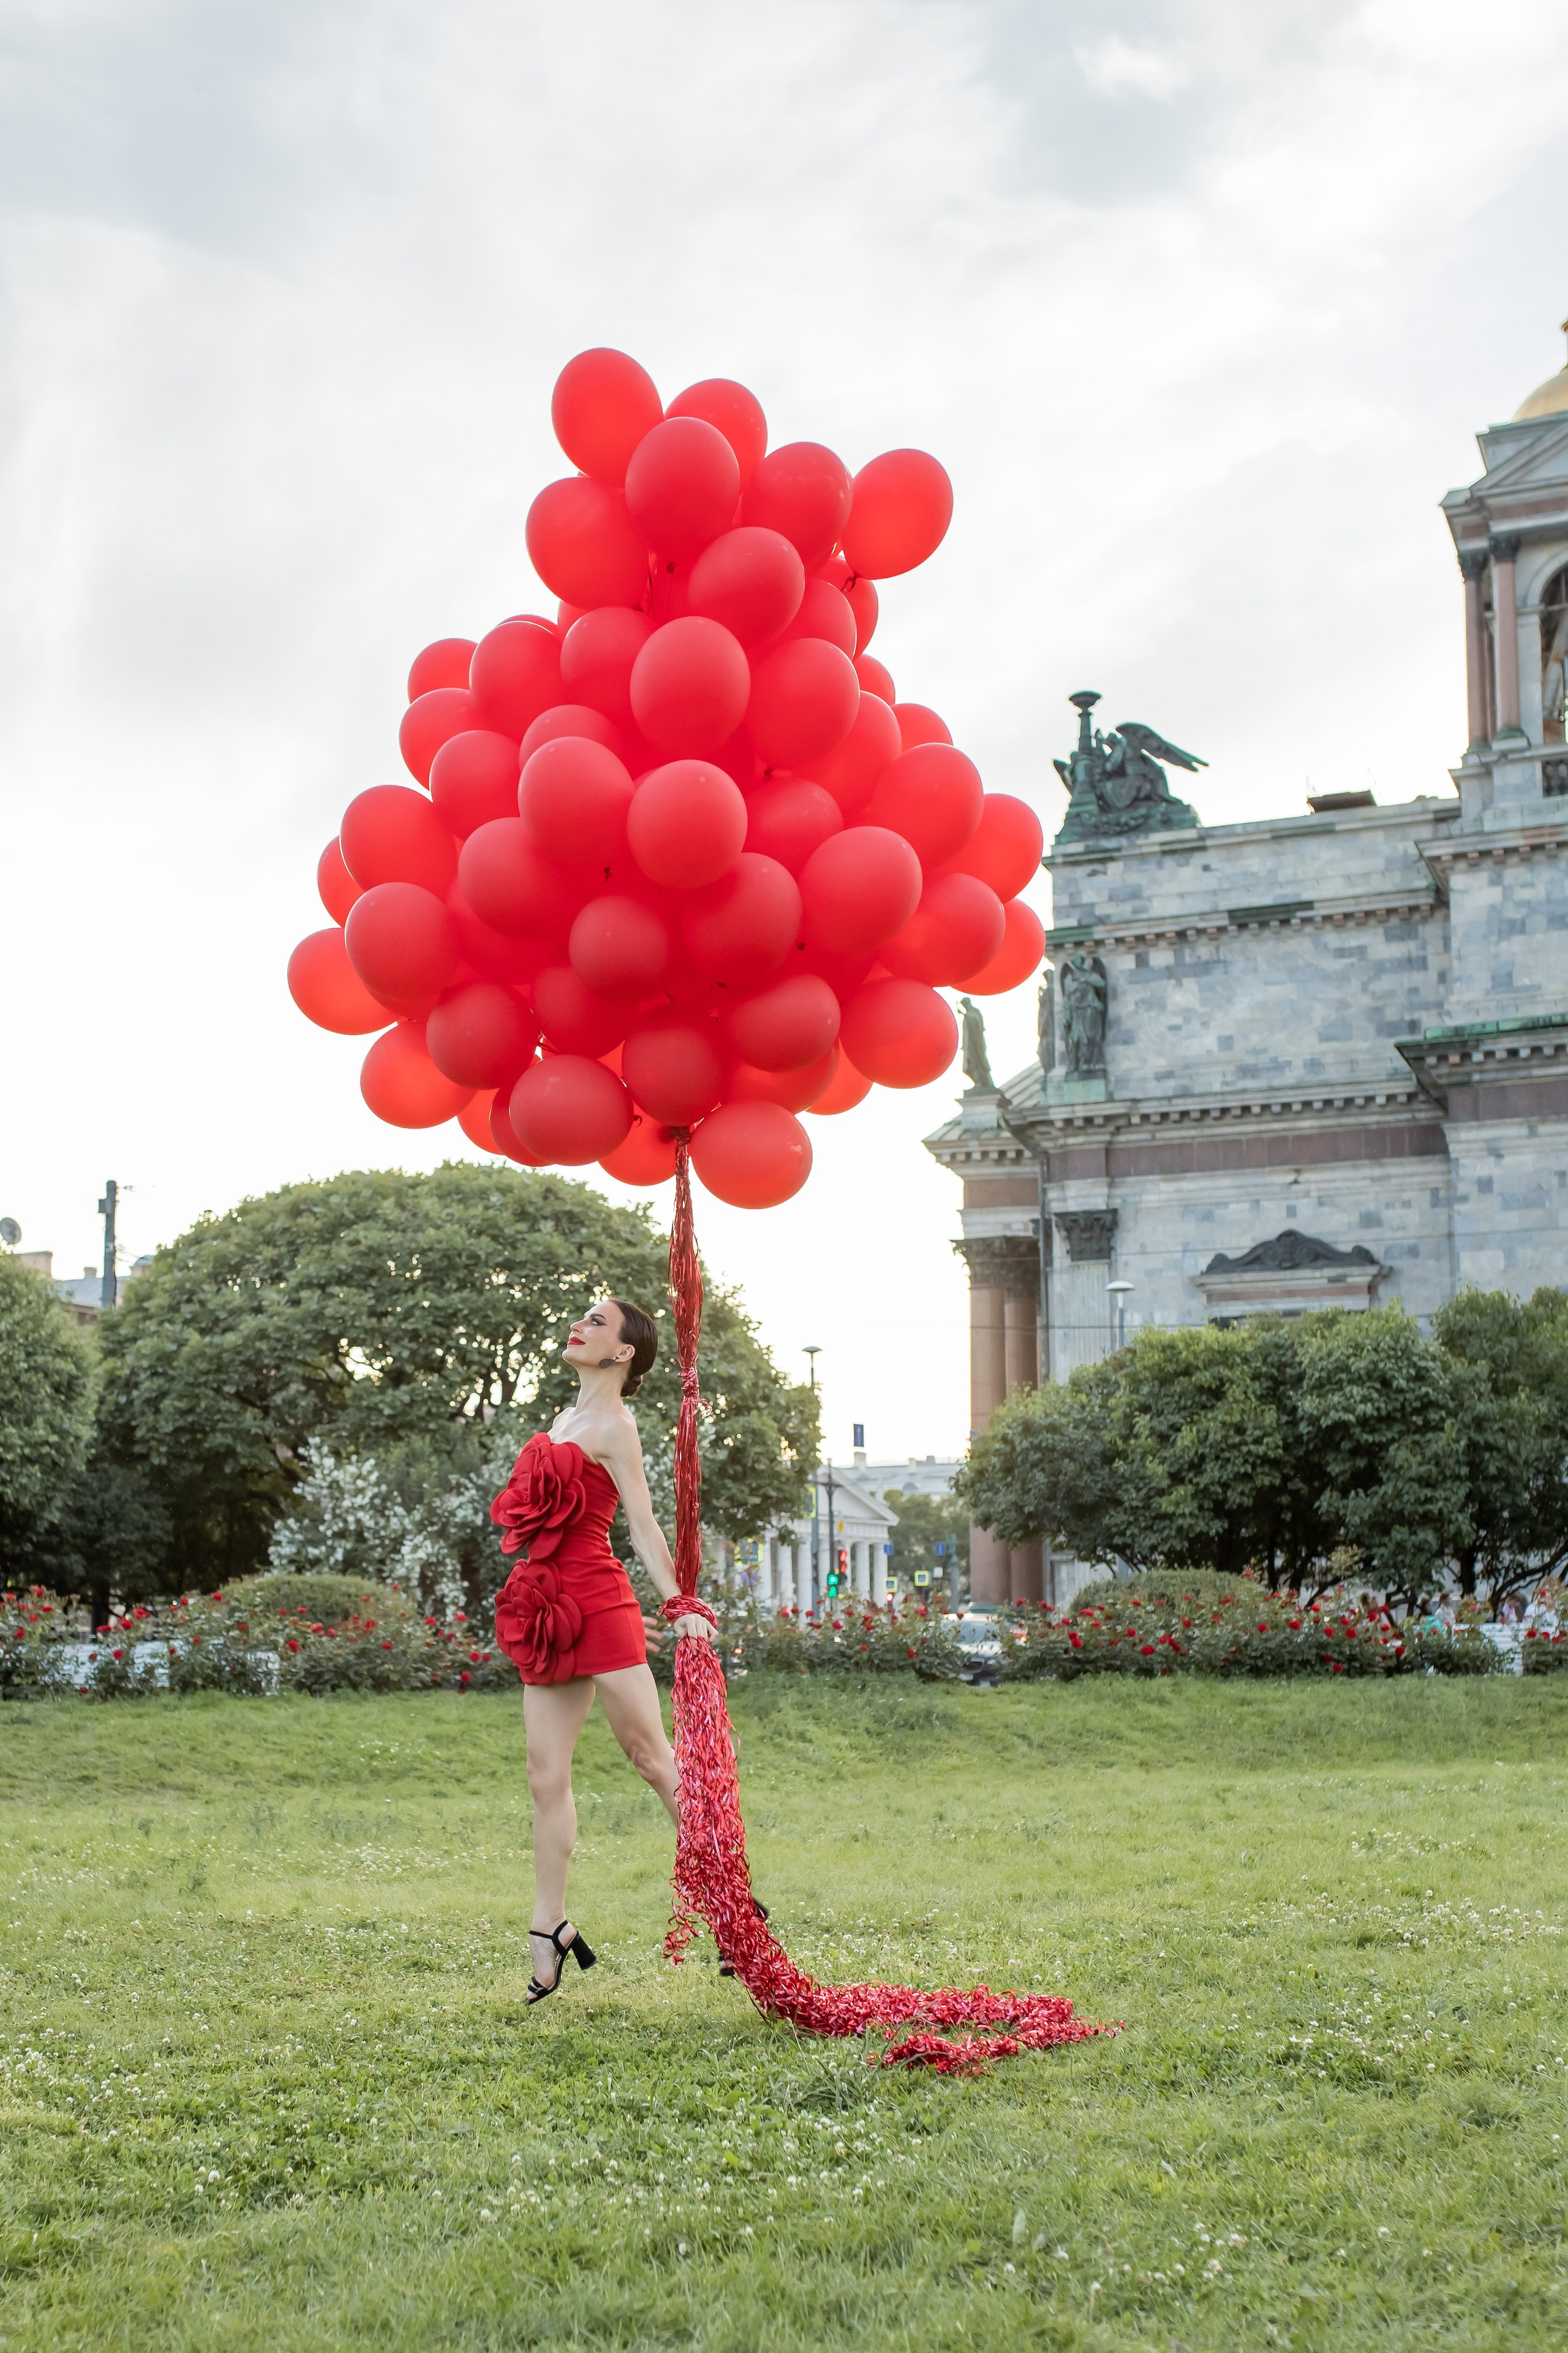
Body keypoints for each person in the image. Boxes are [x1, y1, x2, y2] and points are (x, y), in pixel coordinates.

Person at [488, 1297, 715, 2004]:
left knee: (652, 1760)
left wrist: (680, 1605)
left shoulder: (615, 1426)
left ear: (621, 1353)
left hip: (598, 1599)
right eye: (579, 1315)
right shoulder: (563, 1420)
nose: (578, 1324)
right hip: (544, 1605)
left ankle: (731, 1904)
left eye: (596, 1321)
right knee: (543, 1775)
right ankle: (547, 1924)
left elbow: (643, 1524)